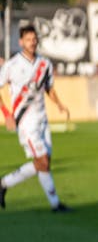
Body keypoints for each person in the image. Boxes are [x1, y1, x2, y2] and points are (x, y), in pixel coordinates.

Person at [0, 24, 72, 212]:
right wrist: (7, 114)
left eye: (34, 39)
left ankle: (4, 184)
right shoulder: (12, 65)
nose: (32, 43)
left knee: (44, 161)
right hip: (25, 121)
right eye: (28, 39)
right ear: (21, 42)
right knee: (42, 162)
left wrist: (59, 104)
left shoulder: (44, 64)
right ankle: (55, 205)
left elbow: (48, 88)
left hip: (42, 118)